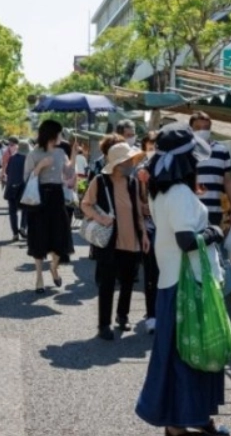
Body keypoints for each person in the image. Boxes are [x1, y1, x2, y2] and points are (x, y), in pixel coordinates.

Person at [136, 122, 229, 436]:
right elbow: (187, 241)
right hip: (189, 285)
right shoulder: (179, 194)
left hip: (173, 282)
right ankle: (181, 425)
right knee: (193, 356)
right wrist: (215, 232)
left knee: (181, 355)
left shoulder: (161, 193)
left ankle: (189, 421)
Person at [81, 135, 149, 340]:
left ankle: (122, 315)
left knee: (128, 281)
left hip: (132, 240)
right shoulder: (100, 181)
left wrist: (144, 235)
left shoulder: (133, 183)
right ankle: (104, 324)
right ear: (118, 163)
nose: (131, 164)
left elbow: (138, 211)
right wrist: (100, 218)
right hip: (109, 241)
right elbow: (85, 204)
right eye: (128, 161)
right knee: (107, 284)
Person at [24, 120, 74, 294]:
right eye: (59, 133)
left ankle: (54, 266)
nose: (61, 136)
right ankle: (39, 277)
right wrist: (40, 166)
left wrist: (73, 155)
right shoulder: (34, 154)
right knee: (39, 237)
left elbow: (69, 174)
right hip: (39, 198)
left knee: (60, 235)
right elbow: (26, 179)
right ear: (52, 134)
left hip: (57, 196)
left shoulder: (61, 152)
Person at [190, 111, 231, 227]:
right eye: (198, 128)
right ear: (191, 129)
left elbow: (228, 181)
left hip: (216, 212)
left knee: (214, 244)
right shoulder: (185, 151)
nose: (202, 131)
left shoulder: (221, 150)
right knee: (196, 245)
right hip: (191, 211)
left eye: (206, 128)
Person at [139, 131, 160, 334]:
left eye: (157, 146)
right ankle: (151, 313)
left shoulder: (169, 168)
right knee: (151, 274)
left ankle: (162, 312)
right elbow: (137, 201)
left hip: (168, 229)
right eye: (150, 147)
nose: (154, 151)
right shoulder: (141, 170)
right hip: (149, 228)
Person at [4, 141, 30, 241]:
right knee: (25, 209)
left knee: (12, 212)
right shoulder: (27, 159)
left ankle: (15, 233)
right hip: (23, 188)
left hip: (11, 188)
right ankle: (23, 227)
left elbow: (7, 171)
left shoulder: (12, 158)